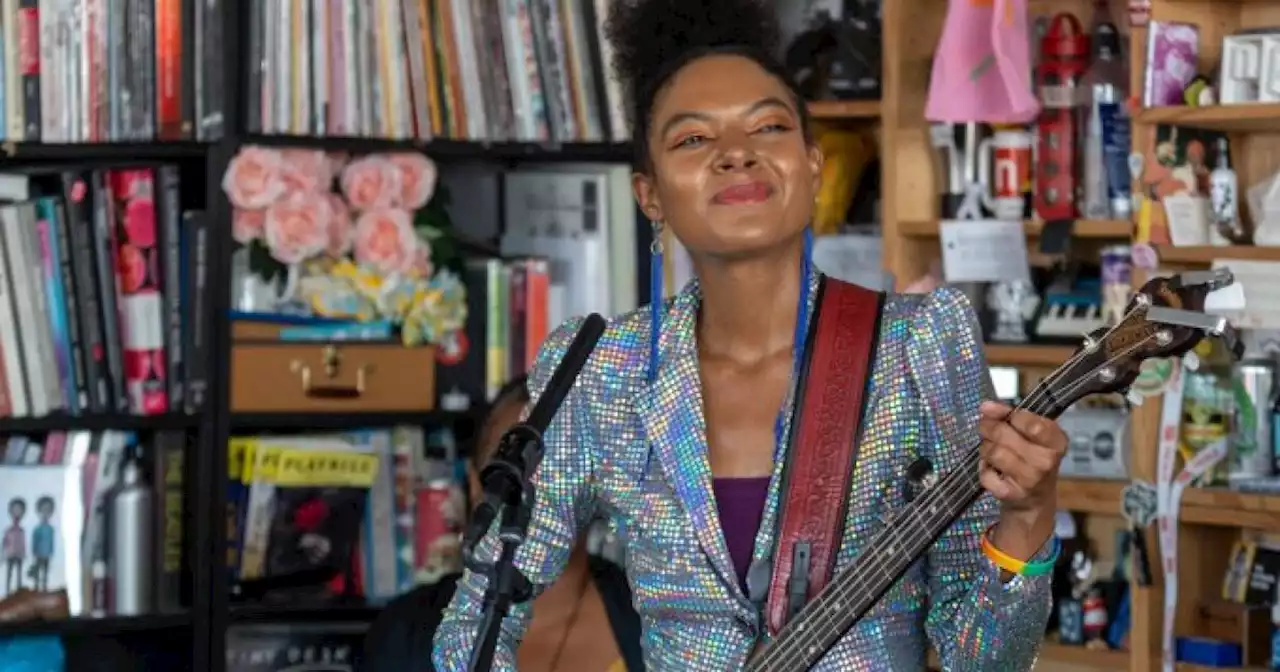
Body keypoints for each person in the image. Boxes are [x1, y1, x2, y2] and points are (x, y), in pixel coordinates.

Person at [434, 0, 1069, 668]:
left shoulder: (918, 344)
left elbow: (986, 660)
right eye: (693, 139)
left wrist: (1028, 516)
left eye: (767, 127)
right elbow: (479, 618)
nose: (737, 155)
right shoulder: (601, 370)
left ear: (813, 164)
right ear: (649, 195)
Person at [362, 376, 643, 672]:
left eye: (560, 464)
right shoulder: (403, 635)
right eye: (513, 463)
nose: (533, 486)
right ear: (475, 485)